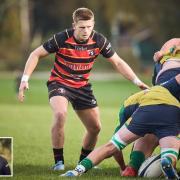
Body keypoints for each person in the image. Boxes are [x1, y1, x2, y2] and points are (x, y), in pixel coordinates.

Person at [18, 7, 148, 170]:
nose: (86, 31)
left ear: (93, 24)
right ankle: (59, 162)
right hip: (59, 83)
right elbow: (35, 54)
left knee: (95, 128)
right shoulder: (62, 38)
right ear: (74, 25)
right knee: (60, 113)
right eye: (81, 27)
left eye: (89, 26)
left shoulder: (99, 41)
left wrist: (137, 81)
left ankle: (84, 162)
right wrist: (25, 79)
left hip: (82, 87)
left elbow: (118, 62)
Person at [61, 74, 180, 179]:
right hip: (172, 111)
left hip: (146, 111)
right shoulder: (165, 88)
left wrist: (123, 166)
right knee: (170, 151)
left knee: (111, 146)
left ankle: (77, 171)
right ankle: (167, 160)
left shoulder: (128, 104)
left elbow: (114, 150)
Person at [122, 38, 180, 177]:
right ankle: (169, 160)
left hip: (164, 85)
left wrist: (161, 54)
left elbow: (160, 54)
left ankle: (132, 167)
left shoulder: (169, 48)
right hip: (170, 84)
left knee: (153, 125)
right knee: (166, 130)